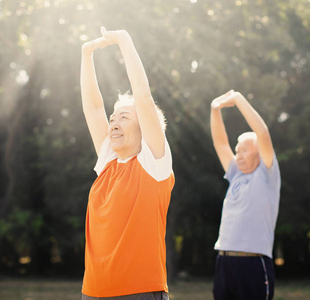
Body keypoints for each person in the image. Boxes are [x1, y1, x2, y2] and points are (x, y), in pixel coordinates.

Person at [80, 27, 174, 300]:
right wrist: (86, 56)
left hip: (138, 291)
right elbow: (93, 108)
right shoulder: (108, 162)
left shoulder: (153, 164)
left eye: (124, 117)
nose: (113, 121)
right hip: (93, 292)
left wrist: (123, 40)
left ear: (144, 127)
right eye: (113, 117)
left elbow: (143, 99)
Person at [210, 90, 281, 300]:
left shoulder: (267, 175)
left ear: (259, 153)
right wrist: (215, 110)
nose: (238, 155)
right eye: (237, 150)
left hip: (253, 264)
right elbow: (220, 143)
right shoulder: (235, 175)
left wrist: (238, 99)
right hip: (224, 262)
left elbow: (263, 134)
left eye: (244, 150)